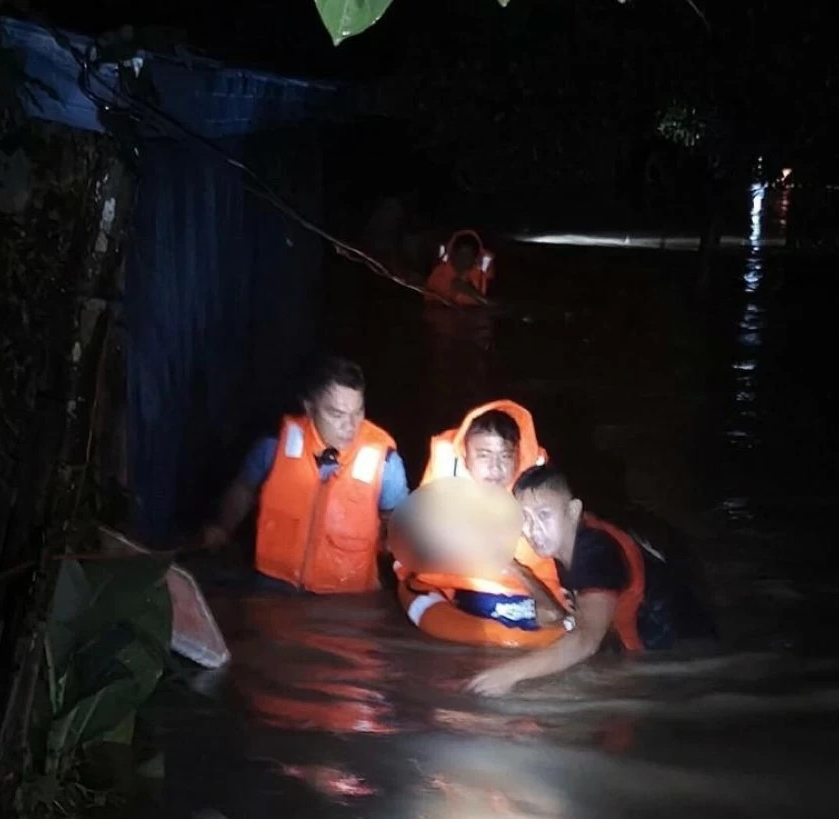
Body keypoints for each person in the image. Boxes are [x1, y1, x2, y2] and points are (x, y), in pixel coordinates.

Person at [468, 466, 715, 696]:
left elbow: (587, 639)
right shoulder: (563, 545)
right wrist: (519, 571)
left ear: (573, 511)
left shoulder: (596, 552)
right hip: (651, 645)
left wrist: (510, 673)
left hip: (684, 658)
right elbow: (558, 616)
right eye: (525, 519)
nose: (534, 529)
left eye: (544, 515)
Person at [204, 358, 409, 594]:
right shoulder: (275, 445)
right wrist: (222, 527)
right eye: (337, 414)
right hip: (274, 589)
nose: (350, 426)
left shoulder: (384, 461)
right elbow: (244, 488)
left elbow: (400, 522)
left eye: (358, 412)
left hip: (349, 600)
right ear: (309, 408)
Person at [399, 401, 567, 633]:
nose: (496, 468)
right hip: (459, 593)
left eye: (506, 456)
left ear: (518, 456)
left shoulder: (536, 497)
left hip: (526, 597)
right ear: (465, 455)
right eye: (484, 455)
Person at [425, 230, 494, 307]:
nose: (462, 260)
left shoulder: (484, 278)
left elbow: (497, 307)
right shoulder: (438, 274)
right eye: (459, 254)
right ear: (452, 253)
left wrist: (471, 292)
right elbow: (429, 304)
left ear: (475, 258)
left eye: (467, 256)